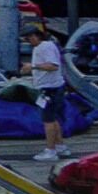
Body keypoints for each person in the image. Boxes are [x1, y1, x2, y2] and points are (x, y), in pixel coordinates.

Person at [26, 27, 69, 162]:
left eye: (29, 38)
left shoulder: (45, 48)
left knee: (48, 121)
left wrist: (33, 67)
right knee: (53, 118)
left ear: (36, 36)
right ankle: (60, 145)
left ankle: (50, 151)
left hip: (50, 89)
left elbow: (53, 66)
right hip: (51, 87)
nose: (28, 41)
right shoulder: (44, 47)